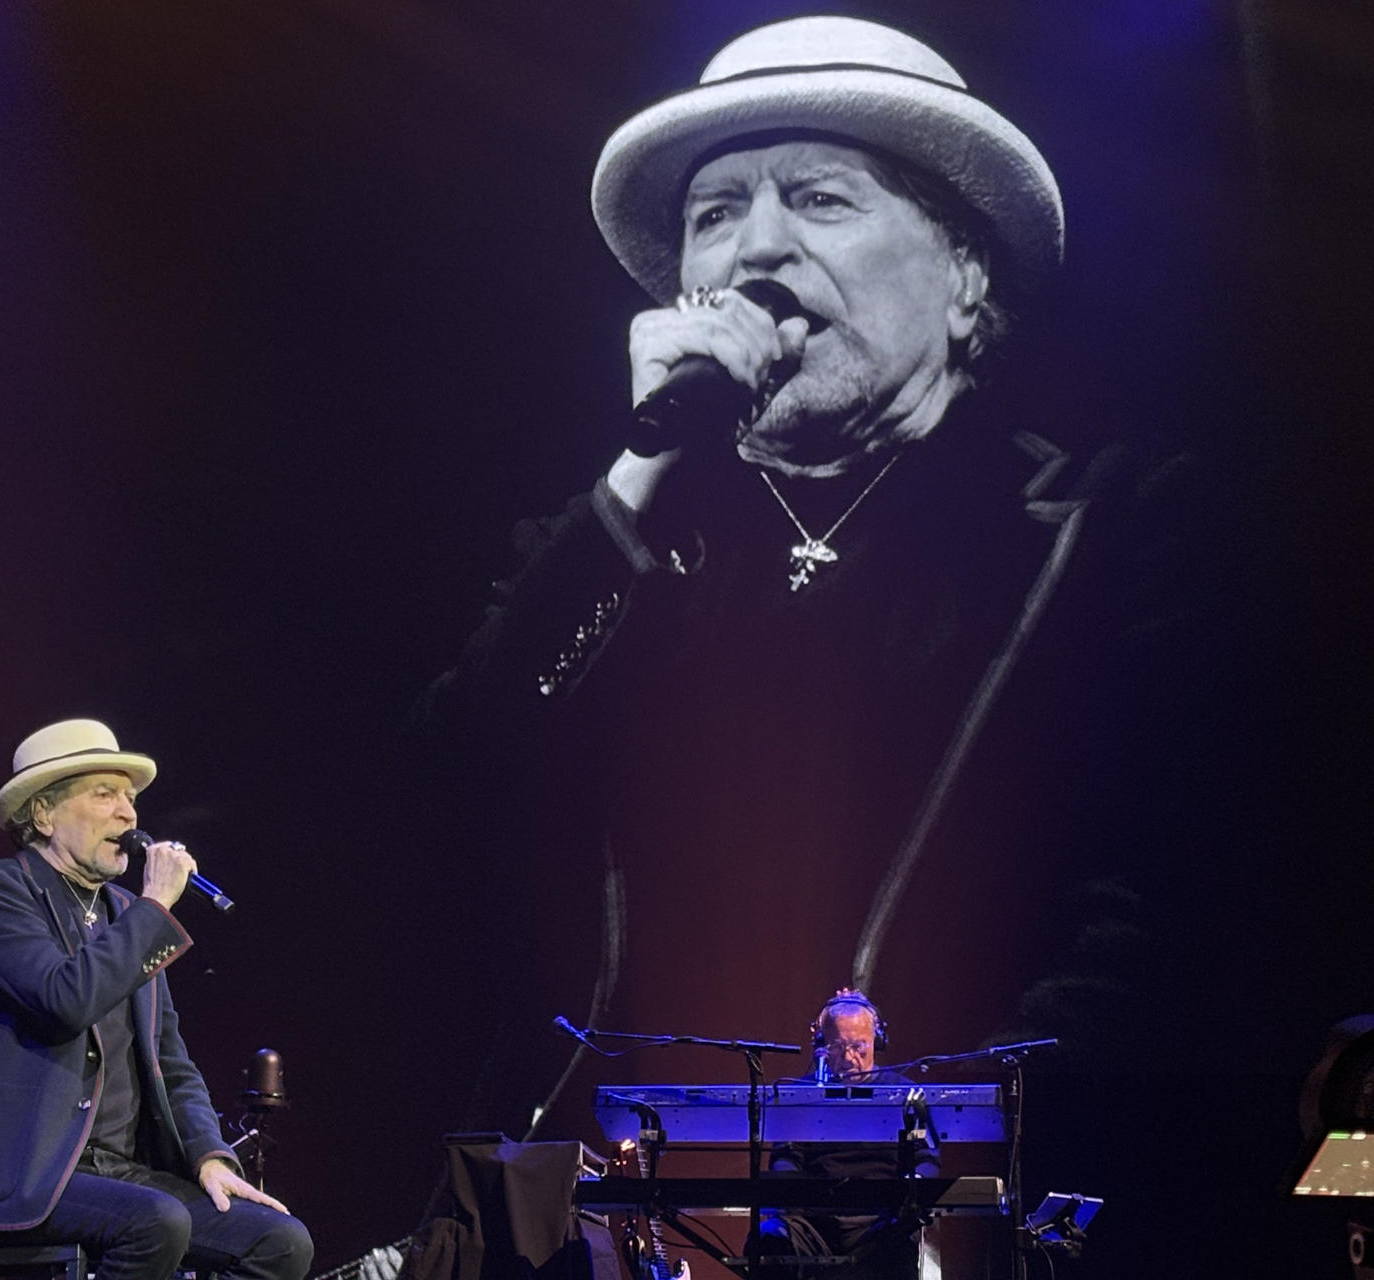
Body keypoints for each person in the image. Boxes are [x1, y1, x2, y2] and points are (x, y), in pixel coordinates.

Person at [423, 15, 1191, 1139]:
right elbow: (447, 792)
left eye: (820, 198)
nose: (754, 252)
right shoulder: (616, 539)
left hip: (946, 1189)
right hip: (608, 1192)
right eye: (716, 214)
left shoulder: (1097, 532)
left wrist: (935, 1135)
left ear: (966, 278)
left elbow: (1157, 909)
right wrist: (645, 462)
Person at [0, 718, 313, 1280]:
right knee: (156, 1223)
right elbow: (65, 999)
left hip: (122, 1173)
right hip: (25, 1171)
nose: (129, 814)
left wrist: (210, 1155)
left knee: (282, 1243)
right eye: (105, 794)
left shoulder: (126, 912)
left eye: (130, 798)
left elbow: (172, 1060)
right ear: (43, 814)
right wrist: (155, 904)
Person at [760, 991, 937, 1280]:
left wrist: (910, 1193)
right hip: (813, 1222)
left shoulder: (904, 1092)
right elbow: (786, 1157)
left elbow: (926, 1158)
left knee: (896, 1248)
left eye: (859, 1047)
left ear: (876, 1041)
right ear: (821, 1045)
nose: (848, 1058)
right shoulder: (804, 1094)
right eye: (837, 1047)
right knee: (768, 1239)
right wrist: (787, 1193)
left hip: (880, 1221)